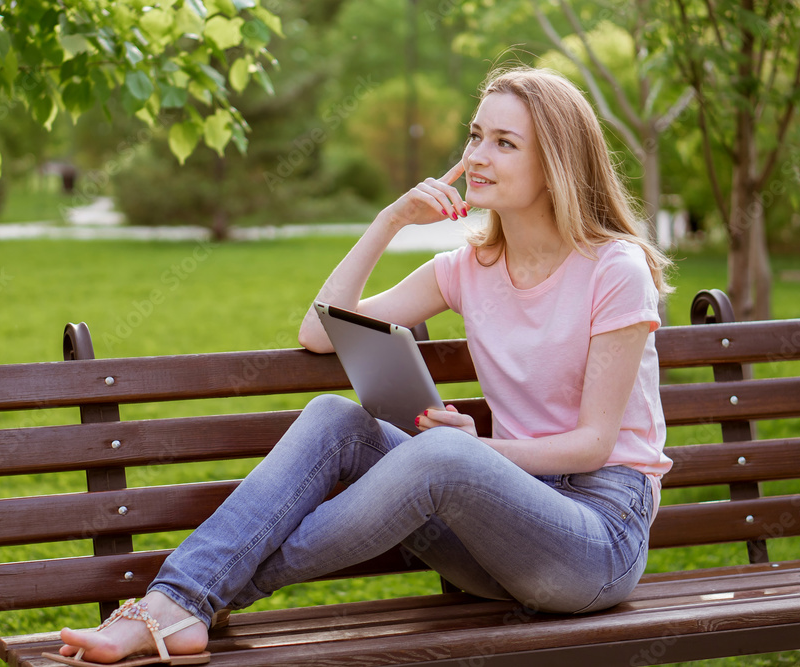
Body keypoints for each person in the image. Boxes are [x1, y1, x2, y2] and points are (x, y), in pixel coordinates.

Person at [45, 66, 674, 666]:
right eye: (476, 135)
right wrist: (390, 220)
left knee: (444, 456)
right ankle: (181, 602)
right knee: (335, 418)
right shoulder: (468, 268)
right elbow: (320, 330)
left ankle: (187, 600)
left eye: (505, 143)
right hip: (496, 546)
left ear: (556, 163)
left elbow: (593, 446)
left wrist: (477, 452)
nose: (477, 156)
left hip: (597, 541)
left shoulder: (612, 268)